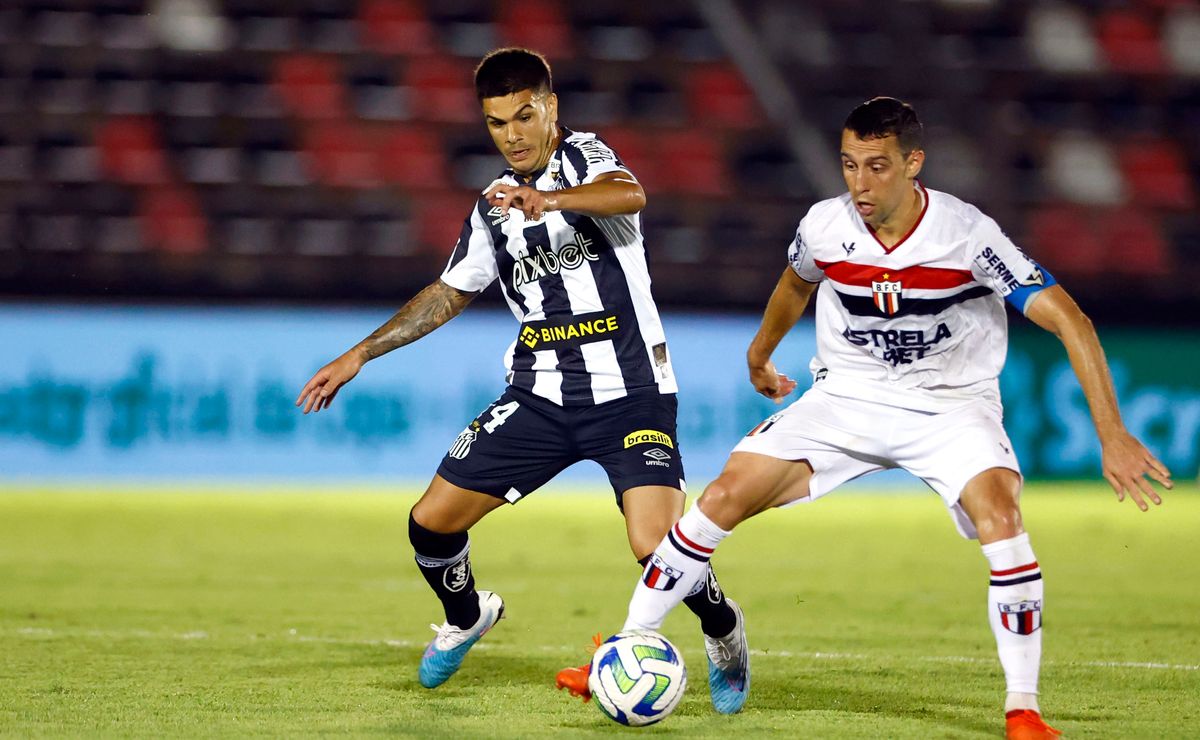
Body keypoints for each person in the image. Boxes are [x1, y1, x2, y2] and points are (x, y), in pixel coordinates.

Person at [594, 97, 1173, 739]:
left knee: (1002, 519)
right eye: (849, 165)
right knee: (721, 498)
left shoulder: (967, 236)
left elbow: (1071, 321)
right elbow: (796, 283)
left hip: (951, 406)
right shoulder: (825, 226)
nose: (860, 184)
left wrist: (1112, 434)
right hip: (847, 397)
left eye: (876, 166)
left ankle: (1023, 710)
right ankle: (631, 645)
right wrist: (760, 355)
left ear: (913, 163)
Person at [294, 47, 749, 713]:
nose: (513, 134)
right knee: (430, 525)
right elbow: (448, 292)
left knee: (655, 546)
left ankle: (723, 625)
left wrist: (549, 199)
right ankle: (468, 614)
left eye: (524, 116)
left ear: (551, 108)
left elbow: (632, 193)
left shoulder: (585, 159)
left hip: (631, 396)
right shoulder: (493, 208)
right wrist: (361, 353)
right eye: (497, 122)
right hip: (539, 399)